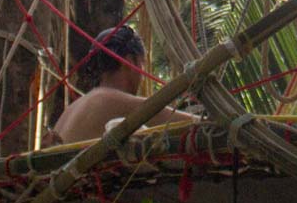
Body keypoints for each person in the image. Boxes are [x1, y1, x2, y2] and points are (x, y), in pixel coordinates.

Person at [52, 25, 197, 144]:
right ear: (129, 61)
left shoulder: (71, 109)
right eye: (142, 63)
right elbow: (194, 123)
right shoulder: (108, 100)